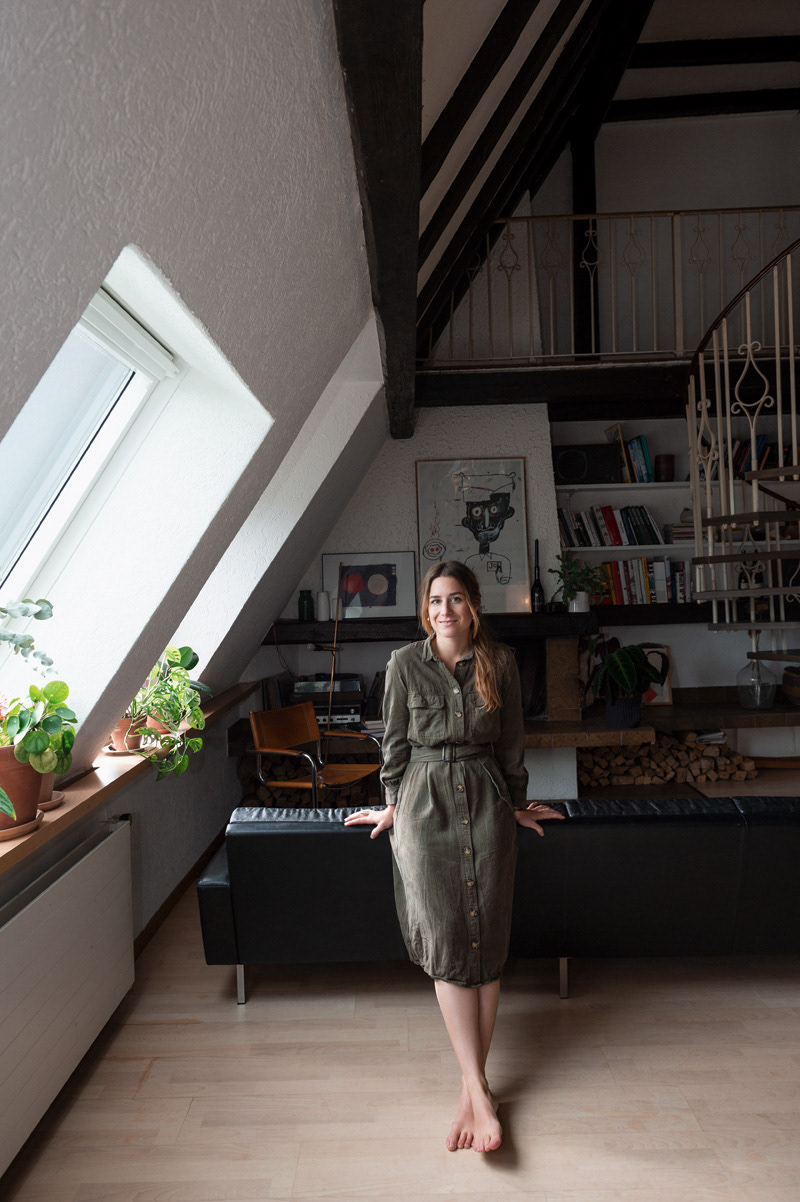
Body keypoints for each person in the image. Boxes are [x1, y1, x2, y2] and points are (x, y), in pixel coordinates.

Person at [344, 560, 564, 1153]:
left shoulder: (501, 663)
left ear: (474, 606)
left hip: (487, 803)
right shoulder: (402, 664)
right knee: (447, 944)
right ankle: (478, 1088)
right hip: (423, 808)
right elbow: (393, 745)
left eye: (457, 598)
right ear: (426, 608)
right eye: (437, 600)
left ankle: (474, 1093)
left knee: (486, 947)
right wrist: (392, 806)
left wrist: (516, 805)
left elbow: (511, 744)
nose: (446, 610)